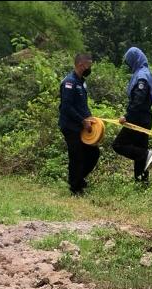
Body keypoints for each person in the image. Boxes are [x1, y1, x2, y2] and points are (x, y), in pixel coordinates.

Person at [113, 47, 152, 182]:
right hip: (145, 118)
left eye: (129, 62)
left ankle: (146, 155)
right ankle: (141, 182)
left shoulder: (141, 77)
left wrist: (127, 117)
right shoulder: (143, 72)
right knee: (139, 148)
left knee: (118, 145)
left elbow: (138, 99)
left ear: (135, 60)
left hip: (138, 118)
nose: (128, 65)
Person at [58, 53, 99, 195]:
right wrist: (82, 120)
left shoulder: (82, 82)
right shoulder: (69, 82)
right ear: (81, 65)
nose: (90, 68)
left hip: (82, 126)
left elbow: (82, 105)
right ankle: (75, 188)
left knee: (93, 153)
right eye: (89, 65)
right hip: (70, 126)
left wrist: (90, 118)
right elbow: (66, 107)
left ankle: (78, 179)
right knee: (76, 156)